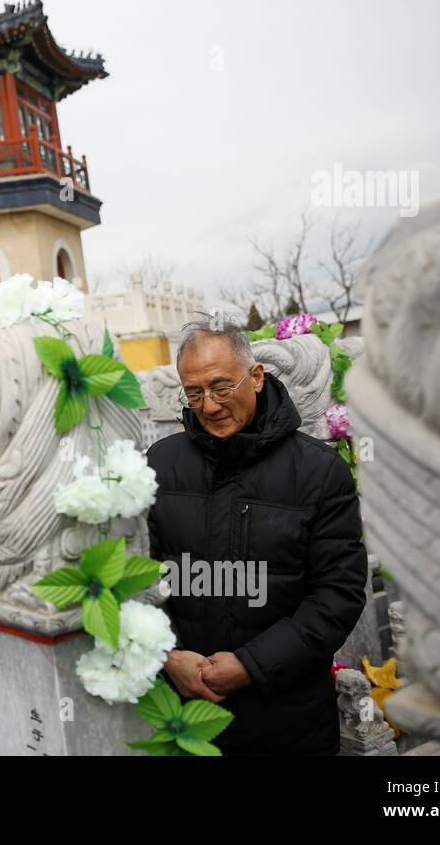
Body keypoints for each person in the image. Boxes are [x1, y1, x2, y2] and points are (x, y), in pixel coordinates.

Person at [146, 317, 367, 754]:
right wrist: (168, 658)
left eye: (221, 387)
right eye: (194, 393)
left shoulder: (319, 472)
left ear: (257, 377)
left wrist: (251, 665)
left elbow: (337, 596)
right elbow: (137, 578)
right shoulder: (159, 465)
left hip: (289, 723)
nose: (208, 406)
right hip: (186, 720)